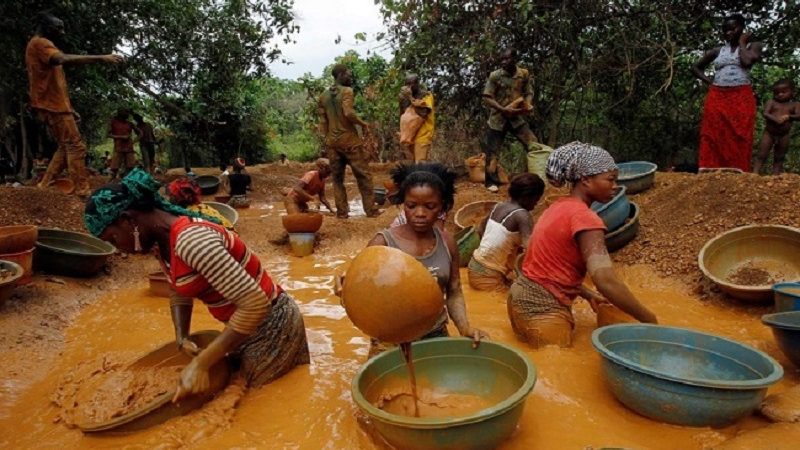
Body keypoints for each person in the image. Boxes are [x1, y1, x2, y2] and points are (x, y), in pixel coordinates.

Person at [83, 168, 310, 397]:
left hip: (273, 325)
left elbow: (255, 305)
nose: (118, 248)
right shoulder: (163, 244)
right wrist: (182, 337)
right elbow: (178, 287)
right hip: (246, 327)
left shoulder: (192, 241)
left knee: (259, 398)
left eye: (113, 238)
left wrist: (201, 363)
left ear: (128, 220)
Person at [509, 142, 657, 348]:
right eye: (610, 179)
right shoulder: (586, 219)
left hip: (519, 298)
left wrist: (587, 295)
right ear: (586, 180)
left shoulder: (558, 207)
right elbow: (606, 281)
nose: (616, 186)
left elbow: (551, 267)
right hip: (543, 310)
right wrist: (650, 320)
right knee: (559, 370)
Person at [366, 163, 488, 357]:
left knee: (440, 387)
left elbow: (454, 290)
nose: (420, 213)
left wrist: (465, 328)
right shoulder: (383, 243)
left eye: (430, 206)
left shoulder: (447, 242)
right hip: (391, 339)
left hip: (435, 333)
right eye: (411, 206)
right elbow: (361, 292)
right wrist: (344, 288)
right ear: (402, 204)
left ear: (442, 207)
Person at [26, 12, 123, 195]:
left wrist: (69, 108)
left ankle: (45, 185)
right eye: (58, 28)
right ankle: (82, 190)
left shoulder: (38, 44)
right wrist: (101, 58)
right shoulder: (41, 44)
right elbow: (61, 59)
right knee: (75, 146)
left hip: (54, 105)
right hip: (52, 105)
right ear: (46, 27)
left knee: (65, 145)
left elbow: (54, 82)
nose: (62, 32)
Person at [692, 14, 763, 172]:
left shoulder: (754, 46)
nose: (728, 32)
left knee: (740, 132)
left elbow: (747, 61)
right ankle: (711, 169)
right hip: (717, 95)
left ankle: (737, 170)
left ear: (742, 28)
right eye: (725, 30)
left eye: (733, 28)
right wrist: (710, 81)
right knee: (713, 132)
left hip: (741, 95)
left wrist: (742, 42)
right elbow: (696, 67)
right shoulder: (718, 50)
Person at [317, 64, 379, 218]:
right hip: (350, 141)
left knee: (337, 179)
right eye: (348, 75)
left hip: (333, 143)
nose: (350, 78)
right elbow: (348, 112)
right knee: (363, 176)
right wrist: (363, 124)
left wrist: (327, 140)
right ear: (341, 75)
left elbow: (323, 123)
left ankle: (342, 212)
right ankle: (371, 210)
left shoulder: (323, 96)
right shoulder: (347, 91)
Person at [468, 173, 544, 292]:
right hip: (488, 276)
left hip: (474, 266)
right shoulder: (523, 215)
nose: (536, 204)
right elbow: (530, 250)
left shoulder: (498, 206)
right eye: (536, 199)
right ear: (528, 196)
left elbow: (481, 230)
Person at [481, 49, 537, 193]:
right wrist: (502, 109)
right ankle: (491, 182)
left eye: (507, 59)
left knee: (533, 144)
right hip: (497, 119)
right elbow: (487, 97)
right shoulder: (495, 76)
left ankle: (533, 177)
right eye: (502, 60)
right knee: (493, 151)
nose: (504, 63)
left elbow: (529, 92)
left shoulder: (523, 74)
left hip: (516, 118)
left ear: (515, 59)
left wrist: (528, 104)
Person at [753, 79, 800, 174]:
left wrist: (788, 117)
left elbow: (799, 116)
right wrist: (776, 120)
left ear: (792, 92)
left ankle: (775, 176)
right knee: (762, 154)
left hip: (784, 135)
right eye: (777, 93)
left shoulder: (795, 104)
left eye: (784, 92)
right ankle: (754, 173)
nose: (780, 94)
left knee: (779, 157)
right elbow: (765, 113)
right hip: (769, 133)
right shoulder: (772, 102)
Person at [166, 177, 235, 231]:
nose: (169, 198)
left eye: (172, 195)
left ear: (180, 197)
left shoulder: (189, 215)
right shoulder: (201, 206)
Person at [398, 73, 435, 162]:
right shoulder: (404, 98)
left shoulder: (426, 95)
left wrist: (410, 97)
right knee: (415, 161)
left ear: (418, 83)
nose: (409, 86)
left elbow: (423, 113)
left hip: (423, 133)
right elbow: (402, 114)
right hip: (410, 136)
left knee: (420, 161)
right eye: (407, 84)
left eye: (412, 83)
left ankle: (422, 175)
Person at [108, 109, 136, 180]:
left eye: (127, 113)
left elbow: (140, 133)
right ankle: (112, 181)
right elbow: (108, 134)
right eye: (125, 112)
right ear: (120, 114)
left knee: (130, 166)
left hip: (129, 148)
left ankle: (126, 180)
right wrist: (120, 137)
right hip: (118, 147)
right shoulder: (113, 122)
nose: (127, 114)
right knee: (114, 167)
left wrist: (133, 141)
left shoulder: (130, 124)